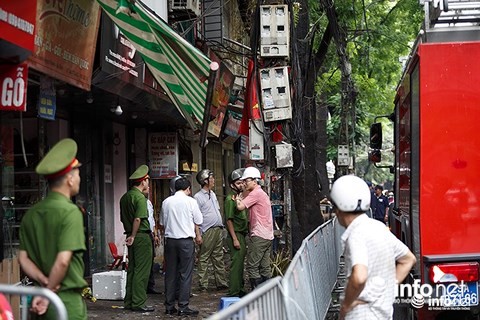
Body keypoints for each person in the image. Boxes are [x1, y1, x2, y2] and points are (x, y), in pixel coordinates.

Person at [18, 138, 88, 319]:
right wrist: (49, 293)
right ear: (70, 180)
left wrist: (43, 283)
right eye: (78, 173)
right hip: (64, 303)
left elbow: (23, 258)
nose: (79, 178)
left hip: (38, 299)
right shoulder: (70, 212)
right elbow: (63, 260)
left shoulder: (31, 214)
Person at [329, 175, 416, 320]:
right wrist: (389, 289)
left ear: (339, 209)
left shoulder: (356, 234)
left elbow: (359, 277)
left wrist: (346, 304)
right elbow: (408, 259)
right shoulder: (379, 228)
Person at [161, 177, 203, 316]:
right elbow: (199, 220)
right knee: (185, 274)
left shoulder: (166, 202)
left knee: (170, 273)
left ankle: (169, 306)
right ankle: (183, 306)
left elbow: (162, 221)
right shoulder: (191, 201)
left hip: (170, 241)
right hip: (185, 242)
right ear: (188, 189)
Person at [119, 165, 154, 312]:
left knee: (132, 270)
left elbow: (123, 218)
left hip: (130, 234)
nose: (148, 183)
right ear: (143, 181)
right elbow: (138, 219)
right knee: (142, 271)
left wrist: (130, 235)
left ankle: (129, 301)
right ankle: (139, 302)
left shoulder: (125, 197)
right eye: (147, 180)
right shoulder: (139, 198)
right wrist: (133, 235)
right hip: (140, 236)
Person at [234, 166, 274, 290]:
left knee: (252, 266)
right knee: (264, 267)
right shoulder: (261, 193)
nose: (245, 183)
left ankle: (256, 295)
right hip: (267, 235)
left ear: (255, 181)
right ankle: (268, 295)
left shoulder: (256, 193)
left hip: (259, 235)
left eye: (247, 181)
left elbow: (240, 207)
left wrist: (237, 199)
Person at [194, 169, 228, 291]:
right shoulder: (198, 197)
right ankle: (203, 284)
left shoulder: (212, 194)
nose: (213, 180)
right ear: (205, 181)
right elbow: (195, 218)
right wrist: (198, 234)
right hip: (207, 231)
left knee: (218, 256)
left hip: (217, 229)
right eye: (211, 178)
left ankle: (221, 282)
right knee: (204, 257)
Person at [225, 168, 249, 297]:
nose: (241, 185)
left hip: (242, 233)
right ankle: (234, 291)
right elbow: (229, 221)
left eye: (242, 182)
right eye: (238, 183)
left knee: (240, 264)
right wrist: (234, 239)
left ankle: (240, 288)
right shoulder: (230, 199)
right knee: (236, 264)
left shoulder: (239, 198)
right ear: (232, 185)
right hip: (236, 234)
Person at [145, 193, 161, 294]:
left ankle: (150, 285)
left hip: (150, 233)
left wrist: (155, 235)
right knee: (145, 262)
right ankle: (145, 286)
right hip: (144, 233)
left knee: (151, 260)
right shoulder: (139, 202)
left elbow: (152, 221)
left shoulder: (148, 202)